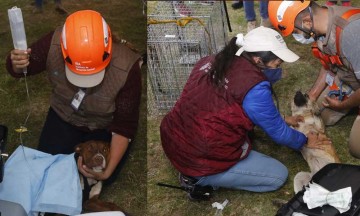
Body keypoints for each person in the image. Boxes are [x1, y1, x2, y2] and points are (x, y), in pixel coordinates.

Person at [160, 26, 330, 198]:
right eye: (277, 63)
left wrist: (283, 118)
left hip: (173, 136)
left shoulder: (211, 61)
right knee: (278, 176)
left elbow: (230, 106)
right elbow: (278, 133)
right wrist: (305, 140)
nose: (279, 68)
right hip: (198, 157)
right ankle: (198, 179)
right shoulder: (255, 88)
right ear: (257, 60)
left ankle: (198, 171)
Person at [6, 10, 142, 184]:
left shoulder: (127, 66)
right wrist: (17, 64)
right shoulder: (53, 42)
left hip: (105, 126)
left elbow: (125, 125)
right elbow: (24, 67)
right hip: (63, 116)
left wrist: (107, 172)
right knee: (47, 173)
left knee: (87, 181)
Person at [268, 1, 360, 158]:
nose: (296, 36)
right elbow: (329, 63)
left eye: (296, 31)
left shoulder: (351, 32)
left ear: (307, 22)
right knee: (320, 114)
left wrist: (343, 104)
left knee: (356, 149)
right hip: (351, 76)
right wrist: (311, 97)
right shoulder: (321, 25)